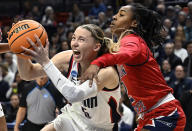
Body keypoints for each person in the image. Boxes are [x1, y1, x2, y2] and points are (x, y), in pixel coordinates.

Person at [81, 3, 186, 131]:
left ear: (134, 23)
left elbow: (125, 54)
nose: (114, 17)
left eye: (121, 14)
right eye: (116, 13)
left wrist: (97, 63)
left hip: (165, 113)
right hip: (148, 115)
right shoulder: (123, 44)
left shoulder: (133, 41)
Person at [16, 24, 121, 131]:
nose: (75, 43)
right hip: (73, 117)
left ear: (96, 46)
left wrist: (46, 63)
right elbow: (27, 74)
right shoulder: (68, 58)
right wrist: (19, 48)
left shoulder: (107, 72)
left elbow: (75, 95)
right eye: (73, 38)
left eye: (81, 39)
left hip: (99, 128)